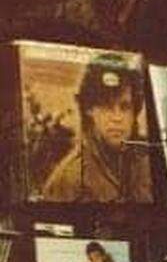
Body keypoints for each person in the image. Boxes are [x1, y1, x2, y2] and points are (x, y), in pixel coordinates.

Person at [40, 54, 152, 202]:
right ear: (89, 109)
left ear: (134, 112)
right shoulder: (69, 178)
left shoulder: (149, 165)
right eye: (106, 106)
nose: (117, 117)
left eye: (125, 107)